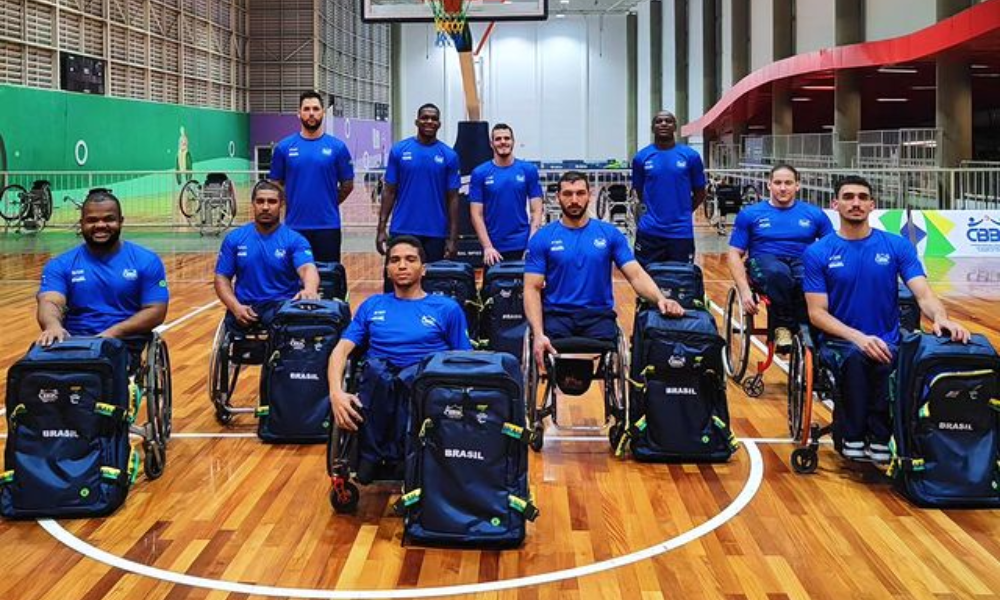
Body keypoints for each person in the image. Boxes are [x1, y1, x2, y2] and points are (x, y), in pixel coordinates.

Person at [803, 175, 969, 463]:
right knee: (857, 357)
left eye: (862, 197)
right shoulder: (818, 252)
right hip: (840, 342)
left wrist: (943, 318)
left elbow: (924, 295)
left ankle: (882, 436)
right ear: (835, 204)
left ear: (872, 205)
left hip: (887, 339)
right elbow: (816, 312)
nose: (855, 203)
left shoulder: (897, 246)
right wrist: (857, 337)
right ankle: (852, 434)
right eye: (848, 197)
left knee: (894, 357)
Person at [327, 236, 472, 481]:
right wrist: (336, 393)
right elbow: (340, 351)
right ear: (387, 269)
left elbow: (463, 359)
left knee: (412, 378)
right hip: (378, 382)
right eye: (395, 260)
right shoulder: (372, 306)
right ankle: (372, 457)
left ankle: (406, 457)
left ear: (423, 269)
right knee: (376, 372)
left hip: (423, 384)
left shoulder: (446, 308)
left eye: (410, 259)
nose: (402, 265)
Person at [524, 171, 685, 368]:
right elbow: (532, 288)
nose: (574, 200)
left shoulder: (609, 234)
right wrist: (539, 334)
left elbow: (635, 274)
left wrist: (661, 299)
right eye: (567, 194)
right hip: (557, 316)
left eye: (580, 193)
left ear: (589, 195)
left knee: (618, 354)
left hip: (597, 316)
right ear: (558, 197)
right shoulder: (543, 238)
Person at [37, 188, 169, 347]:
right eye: (92, 220)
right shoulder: (60, 264)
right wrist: (53, 326)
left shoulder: (146, 261)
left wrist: (113, 333)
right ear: (81, 224)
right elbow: (50, 301)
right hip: (74, 340)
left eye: (109, 219)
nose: (100, 225)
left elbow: (156, 310)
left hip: (126, 341)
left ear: (121, 221)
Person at [727, 163, 834, 350]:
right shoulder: (750, 214)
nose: (783, 188)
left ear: (797, 186)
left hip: (802, 261)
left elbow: (832, 247)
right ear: (769, 185)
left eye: (788, 183)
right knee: (778, 274)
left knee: (811, 280)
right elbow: (734, 253)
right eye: (777, 183)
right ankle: (783, 327)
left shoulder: (815, 214)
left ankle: (813, 333)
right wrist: (744, 290)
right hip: (765, 261)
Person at [214, 181, 320, 332]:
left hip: (282, 307)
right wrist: (235, 307)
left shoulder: (295, 240)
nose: (265, 207)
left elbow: (307, 268)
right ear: (253, 204)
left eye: (272, 202)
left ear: (281, 205)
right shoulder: (235, 239)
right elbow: (222, 278)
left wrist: (309, 289)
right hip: (245, 306)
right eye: (260, 201)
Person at [269, 90, 355, 263]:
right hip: (294, 227)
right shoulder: (284, 148)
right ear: (299, 113)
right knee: (294, 279)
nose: (311, 113)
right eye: (306, 109)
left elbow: (348, 184)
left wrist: (330, 200)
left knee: (328, 279)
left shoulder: (337, 147)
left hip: (328, 227)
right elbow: (274, 183)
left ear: (323, 112)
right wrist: (291, 199)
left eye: (316, 109)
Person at [376, 104, 461, 263]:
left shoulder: (449, 156)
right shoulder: (399, 150)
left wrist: (452, 237)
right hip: (402, 229)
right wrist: (381, 228)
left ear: (439, 124)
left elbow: (453, 198)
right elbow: (389, 192)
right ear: (417, 122)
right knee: (397, 281)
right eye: (425, 118)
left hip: (436, 232)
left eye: (434, 119)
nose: (429, 122)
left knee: (432, 283)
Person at [630, 110, 707, 265]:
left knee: (681, 283)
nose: (664, 124)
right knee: (646, 281)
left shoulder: (690, 156)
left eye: (668, 121)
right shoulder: (641, 157)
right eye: (659, 121)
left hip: (681, 233)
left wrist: (683, 210)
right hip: (649, 232)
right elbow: (640, 192)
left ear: (675, 127)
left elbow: (700, 192)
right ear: (653, 128)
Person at [468, 123, 543, 266]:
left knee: (524, 288)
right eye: (498, 139)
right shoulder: (480, 173)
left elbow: (537, 210)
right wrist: (487, 247)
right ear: (491, 144)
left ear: (513, 142)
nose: (503, 142)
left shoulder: (528, 170)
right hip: (493, 248)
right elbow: (476, 214)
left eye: (507, 138)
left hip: (522, 245)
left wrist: (531, 244)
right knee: (493, 287)